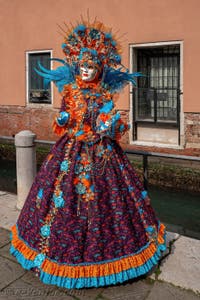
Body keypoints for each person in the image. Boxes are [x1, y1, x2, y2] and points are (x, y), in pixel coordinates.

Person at [10, 18, 166, 289]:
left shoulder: (104, 94)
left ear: (99, 68)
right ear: (76, 66)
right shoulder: (69, 91)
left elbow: (114, 123)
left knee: (112, 203)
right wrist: (62, 119)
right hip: (71, 150)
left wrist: (110, 124)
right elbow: (62, 122)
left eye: (91, 66)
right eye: (83, 65)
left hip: (103, 153)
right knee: (60, 201)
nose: (86, 70)